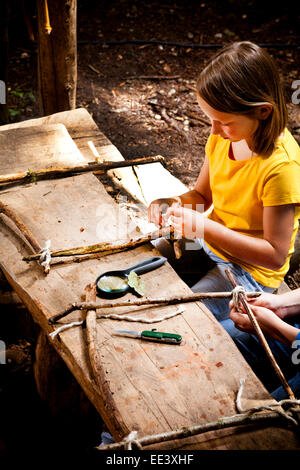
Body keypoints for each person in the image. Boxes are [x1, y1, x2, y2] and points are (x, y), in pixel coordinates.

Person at [148, 41, 300, 322]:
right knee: (137, 273)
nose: (214, 130)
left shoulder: (282, 168)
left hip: (251, 271)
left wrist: (205, 228)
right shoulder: (224, 137)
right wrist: (172, 203)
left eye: (223, 121)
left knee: (184, 318)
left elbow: (275, 255)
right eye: (211, 119)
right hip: (210, 246)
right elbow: (202, 196)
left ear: (262, 111)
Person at [226, 288, 300, 400]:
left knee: (262, 413)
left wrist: (277, 330)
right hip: (292, 324)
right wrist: (281, 303)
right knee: (215, 335)